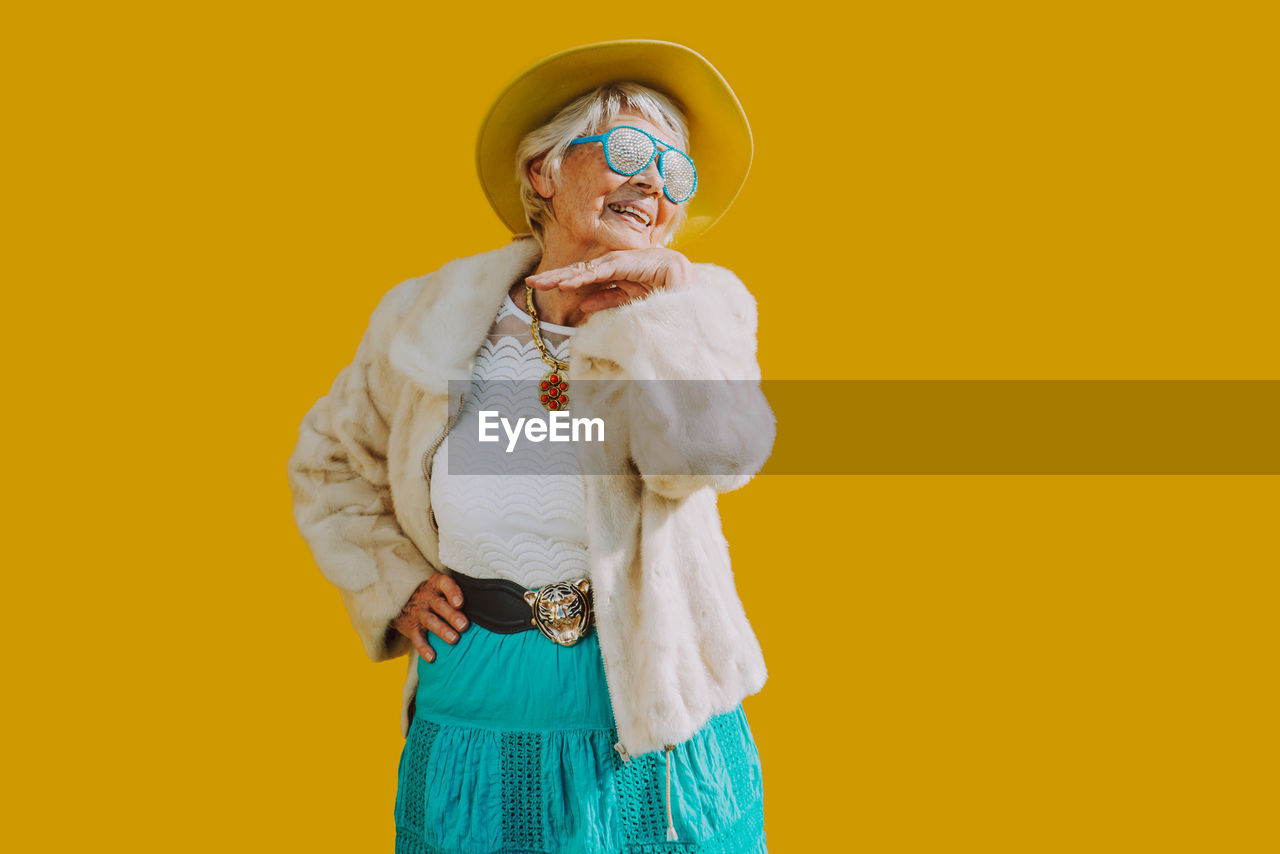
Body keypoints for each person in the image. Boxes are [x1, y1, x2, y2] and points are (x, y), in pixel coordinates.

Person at [287, 39, 775, 853]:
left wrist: (658, 315)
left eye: (675, 172)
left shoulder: (699, 312)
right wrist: (394, 584)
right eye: (628, 150)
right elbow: (332, 463)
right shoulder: (429, 315)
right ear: (544, 171)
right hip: (475, 698)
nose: (655, 181)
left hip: (648, 713)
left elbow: (714, 458)